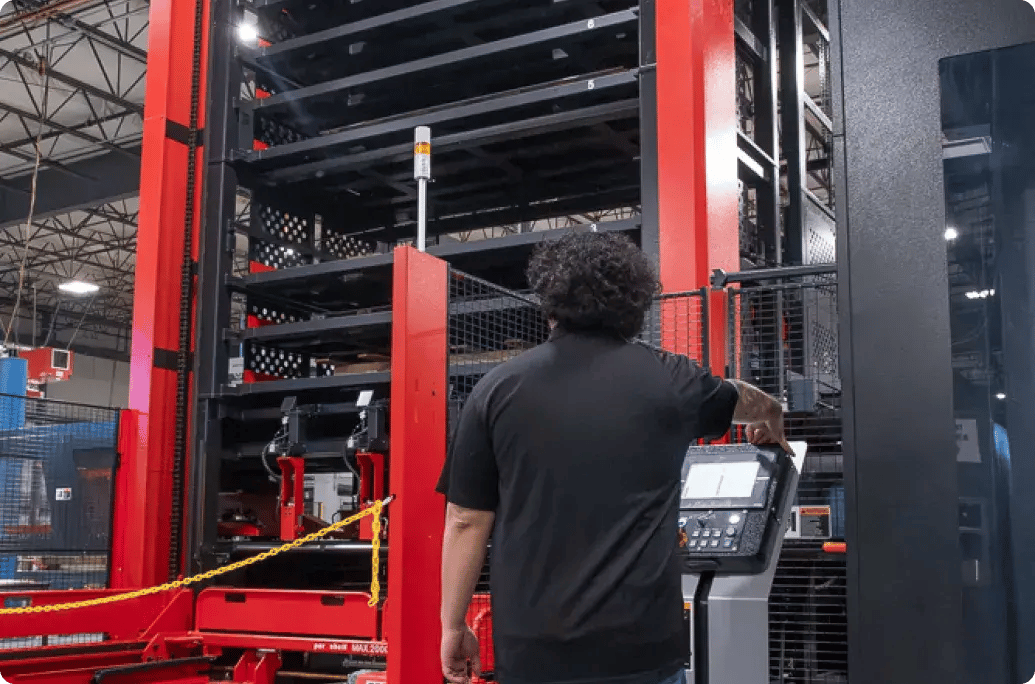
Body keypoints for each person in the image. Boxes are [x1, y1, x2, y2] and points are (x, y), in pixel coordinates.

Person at [437, 232, 790, 684]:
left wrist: (452, 625)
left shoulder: (497, 391)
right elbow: (743, 400)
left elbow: (465, 519)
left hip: (533, 656)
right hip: (641, 653)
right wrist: (773, 412)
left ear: (549, 303)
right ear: (637, 304)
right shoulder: (672, 379)